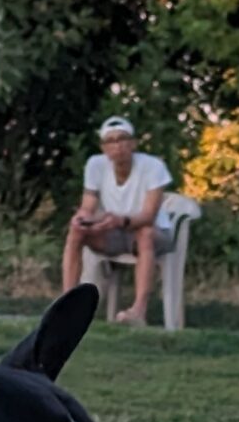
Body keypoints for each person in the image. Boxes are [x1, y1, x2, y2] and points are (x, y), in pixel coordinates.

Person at [61, 118, 173, 325]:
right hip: (114, 233)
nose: (117, 146)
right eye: (111, 141)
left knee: (145, 233)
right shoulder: (95, 164)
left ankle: (138, 311)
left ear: (133, 143)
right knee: (76, 231)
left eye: (122, 139)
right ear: (104, 147)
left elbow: (148, 215)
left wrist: (120, 220)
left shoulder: (153, 166)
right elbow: (88, 205)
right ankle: (66, 304)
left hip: (154, 233)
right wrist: (84, 219)